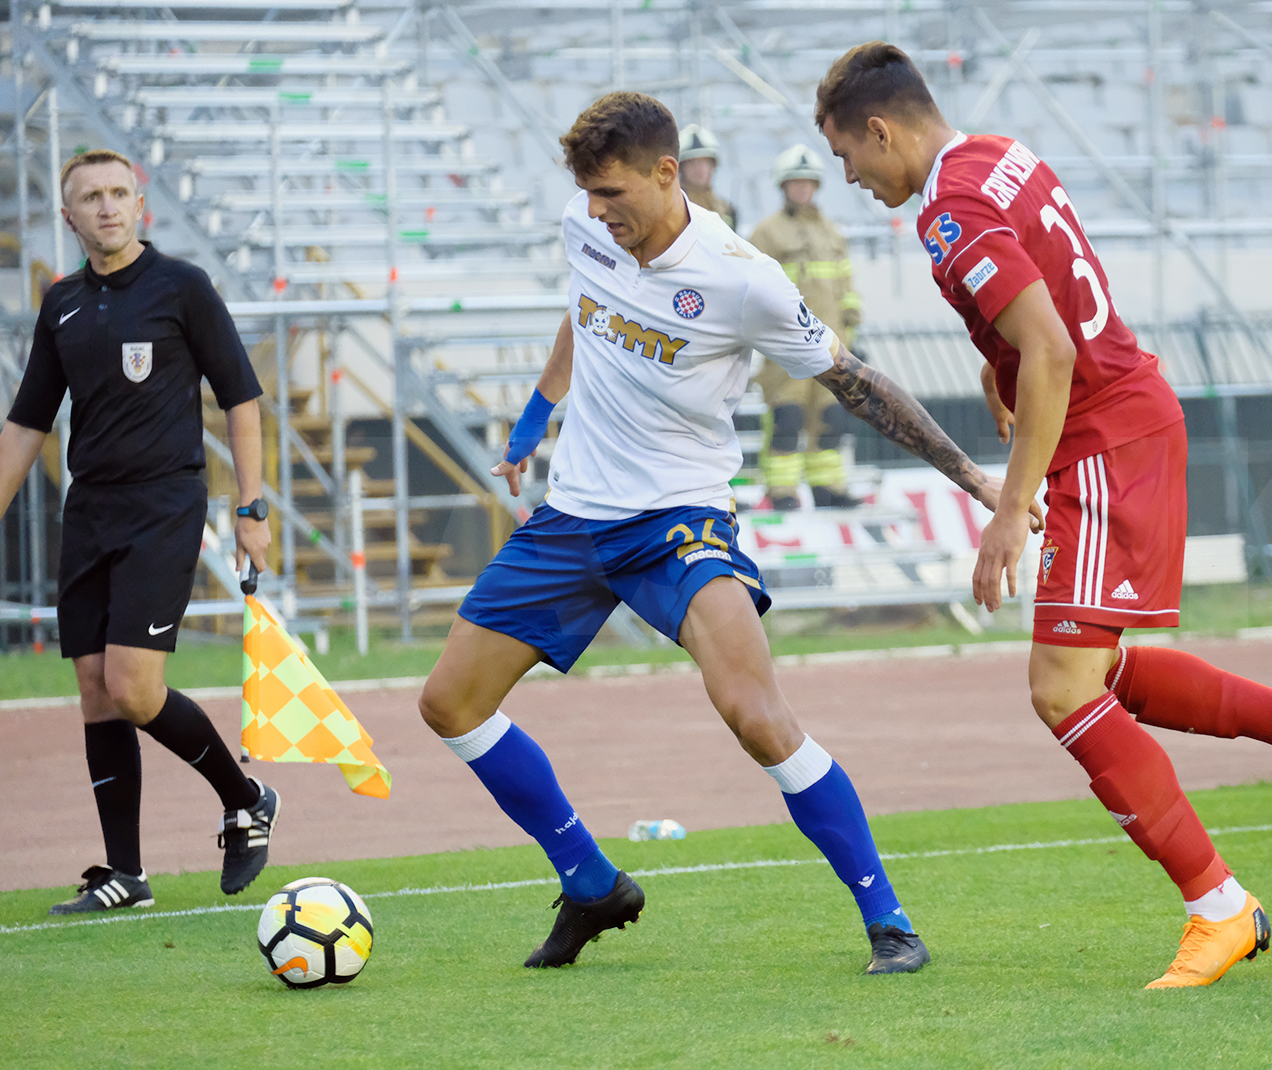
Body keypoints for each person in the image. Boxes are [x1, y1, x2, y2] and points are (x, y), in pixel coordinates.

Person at [416, 92, 1027, 974]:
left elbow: (853, 381)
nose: (596, 212)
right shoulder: (589, 227)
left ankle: (890, 922)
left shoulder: (743, 278)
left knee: (754, 714)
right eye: (587, 195)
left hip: (677, 521)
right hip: (572, 518)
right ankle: (590, 882)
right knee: (449, 703)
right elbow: (585, 309)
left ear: (668, 175)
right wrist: (534, 416)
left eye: (612, 194)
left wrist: (972, 477)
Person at [816, 44, 1272, 989]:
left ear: (881, 129)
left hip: (1103, 440)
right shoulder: (1000, 154)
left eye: (848, 156)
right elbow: (1048, 308)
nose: (850, 178)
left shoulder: (949, 208)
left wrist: (1008, 506)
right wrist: (999, 371)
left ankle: (1222, 908)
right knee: (1098, 670)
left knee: (1061, 690)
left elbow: (1051, 350)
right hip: (1123, 422)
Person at [0, 149, 280, 914]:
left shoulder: (182, 287)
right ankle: (127, 874)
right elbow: (26, 426)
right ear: (70, 215)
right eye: (90, 197)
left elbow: (241, 399)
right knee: (94, 692)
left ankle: (244, 796)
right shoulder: (61, 305)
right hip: (89, 510)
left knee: (132, 685)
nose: (107, 206)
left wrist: (252, 509)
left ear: (140, 205)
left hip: (165, 505)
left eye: (119, 193)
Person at [750, 144, 866, 510]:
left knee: (831, 418)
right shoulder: (766, 233)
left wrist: (853, 339)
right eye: (794, 183)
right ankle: (781, 490)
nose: (802, 190)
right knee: (787, 416)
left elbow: (846, 290)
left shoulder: (832, 232)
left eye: (808, 183)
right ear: (782, 187)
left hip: (833, 345)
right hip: (786, 346)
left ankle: (827, 486)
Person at [677, 123, 738, 231]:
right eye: (691, 162)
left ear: (713, 165)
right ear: (680, 168)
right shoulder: (671, 209)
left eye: (704, 161)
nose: (698, 168)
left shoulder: (728, 211)